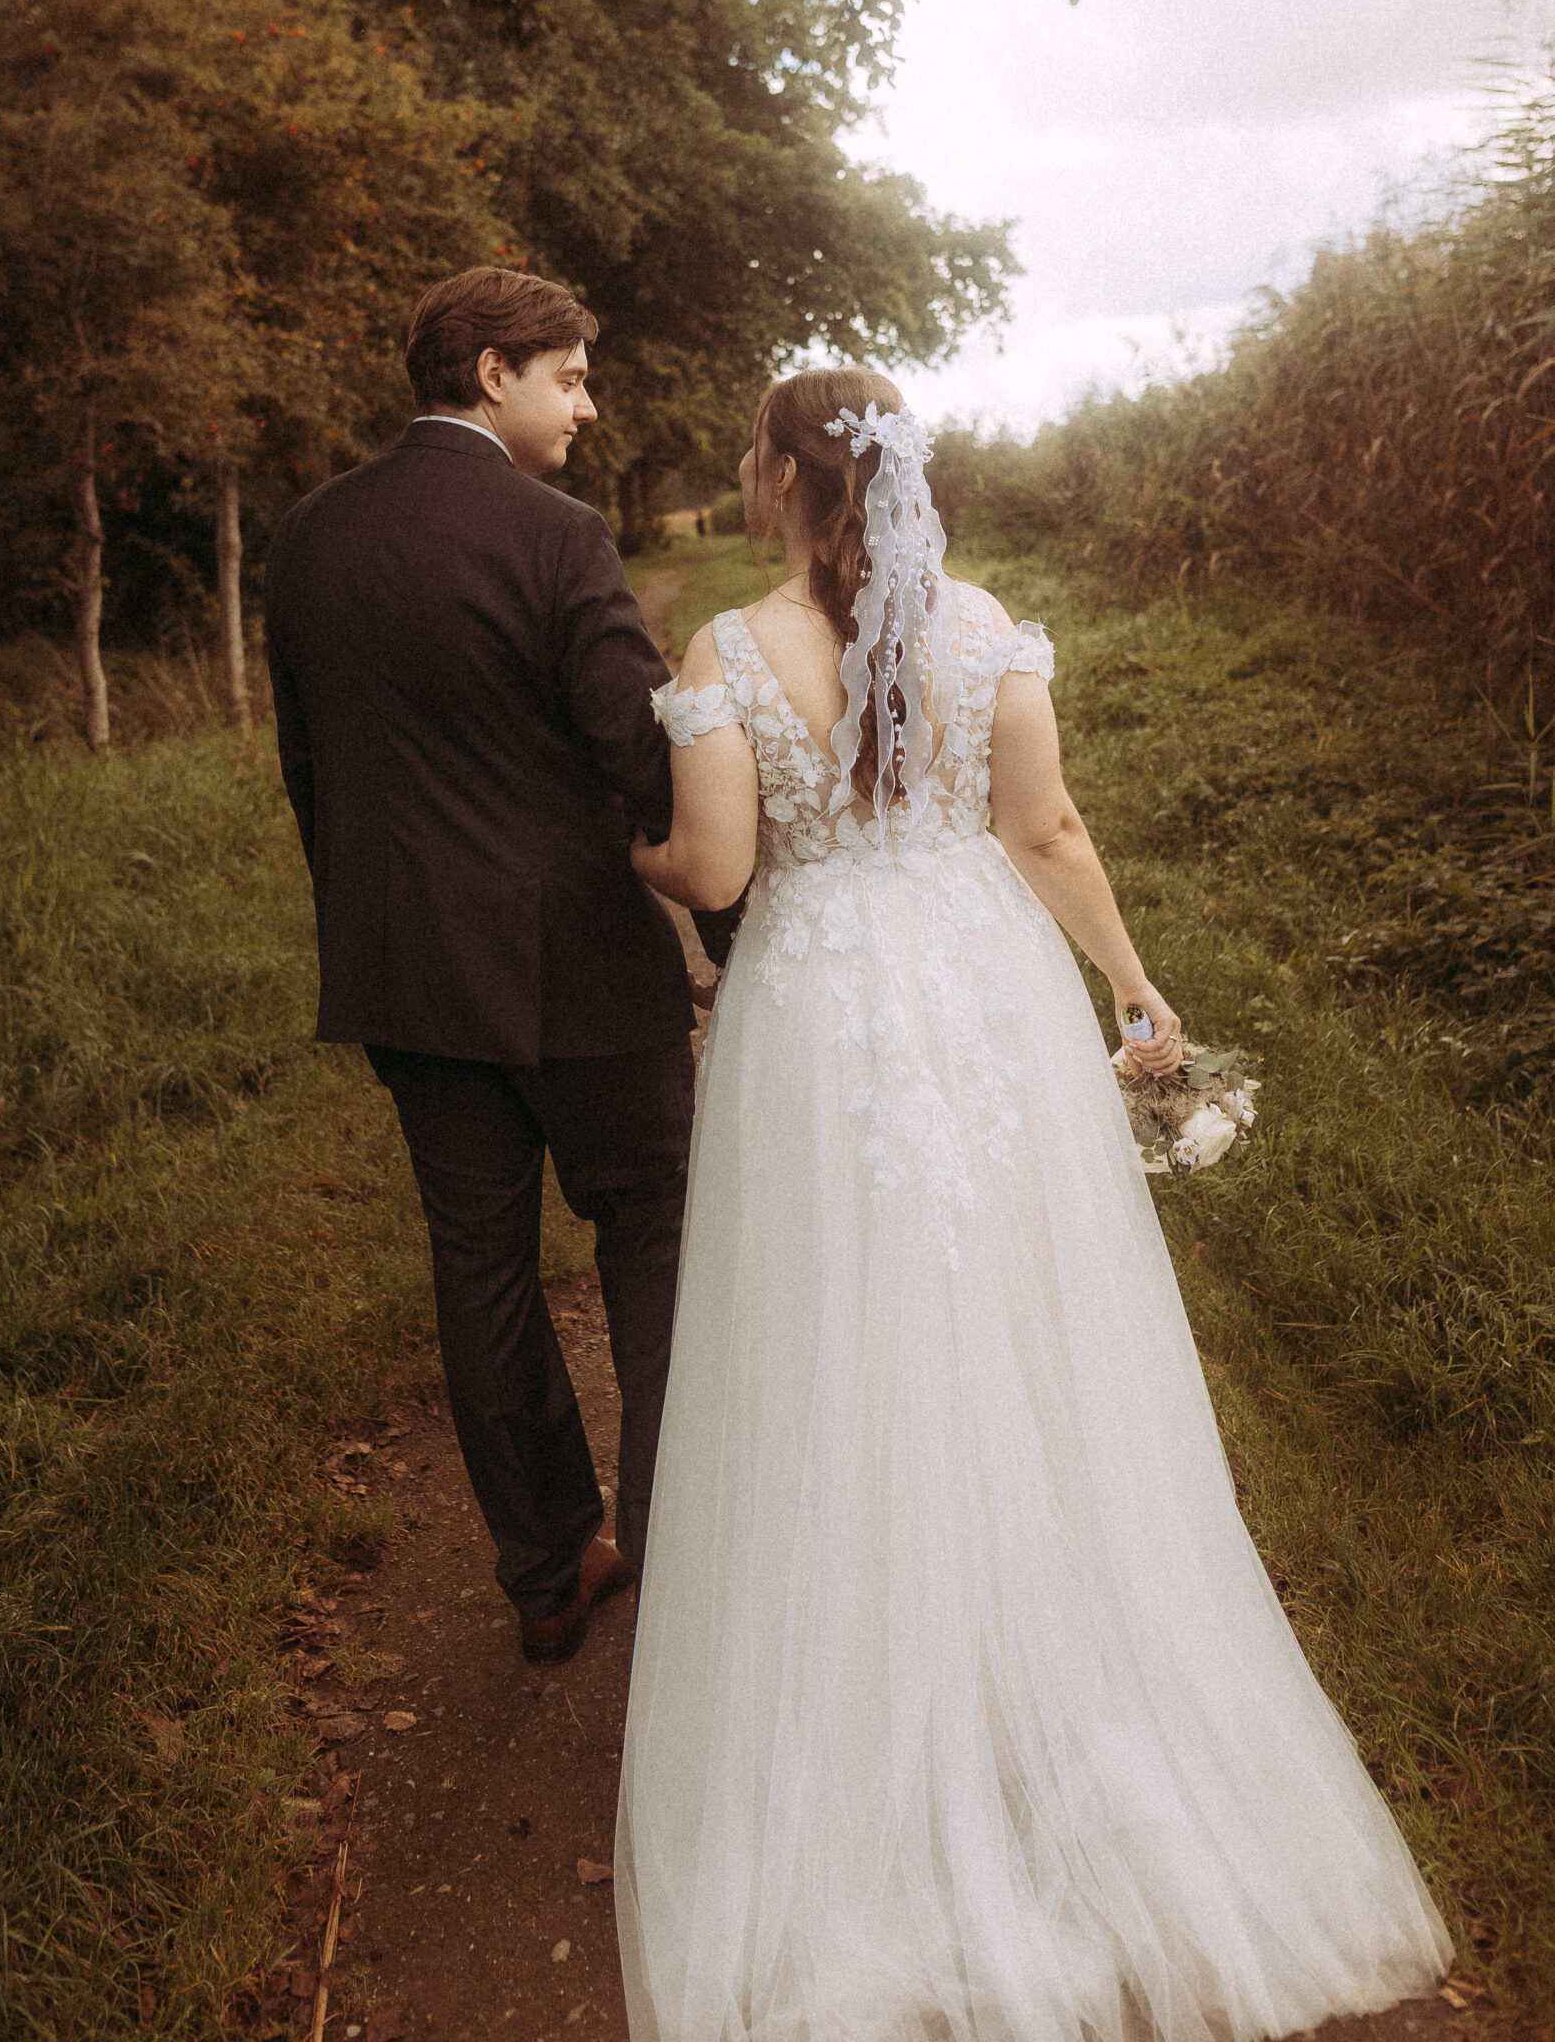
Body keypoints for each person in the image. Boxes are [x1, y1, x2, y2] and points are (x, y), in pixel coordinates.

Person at [615, 366, 1451, 2042]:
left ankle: (865, 1695)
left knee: (833, 1339)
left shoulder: (719, 656)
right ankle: (1051, 1676)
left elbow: (712, 875)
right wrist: (1139, 998)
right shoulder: (985, 628)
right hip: (987, 997)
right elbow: (1045, 825)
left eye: (748, 452)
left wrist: (625, 852)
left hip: (823, 1016)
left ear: (782, 479)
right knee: (1024, 1319)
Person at [264, 266, 725, 1664]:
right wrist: (719, 912)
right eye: (571, 375)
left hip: (406, 973)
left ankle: (542, 1573)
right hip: (581, 972)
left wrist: (367, 921)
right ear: (489, 374)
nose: (587, 404)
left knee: (481, 1273)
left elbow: (310, 770)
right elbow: (634, 756)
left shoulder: (306, 539)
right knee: (651, 1243)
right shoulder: (556, 536)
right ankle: (674, 1552)